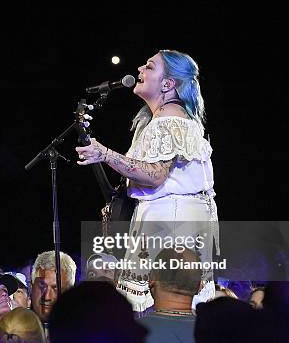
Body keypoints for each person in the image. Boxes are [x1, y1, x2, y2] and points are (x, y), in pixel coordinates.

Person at [76, 49, 218, 312]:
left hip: (171, 224)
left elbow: (155, 174)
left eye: (150, 67)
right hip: (174, 219)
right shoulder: (170, 117)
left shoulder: (169, 119)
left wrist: (104, 154)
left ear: (168, 83)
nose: (140, 69)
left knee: (163, 302)